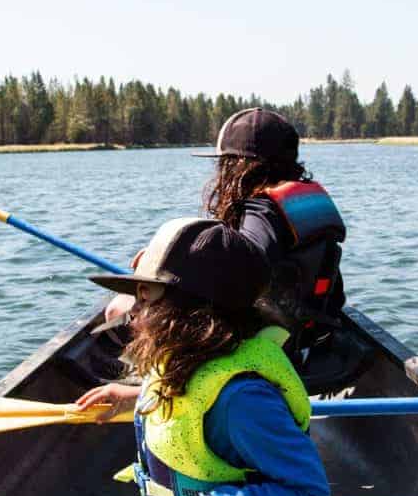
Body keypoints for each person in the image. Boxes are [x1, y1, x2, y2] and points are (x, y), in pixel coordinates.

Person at [49, 217, 330, 496]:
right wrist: (130, 399)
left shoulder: (244, 400)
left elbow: (308, 490)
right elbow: (185, 407)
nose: (132, 312)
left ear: (189, 311)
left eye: (145, 297)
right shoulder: (189, 355)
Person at [103, 107, 347, 368]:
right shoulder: (304, 203)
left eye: (221, 163)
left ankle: (154, 382)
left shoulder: (260, 211)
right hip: (313, 338)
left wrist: (166, 269)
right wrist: (167, 261)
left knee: (118, 308)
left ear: (236, 165)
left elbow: (241, 276)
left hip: (270, 347)